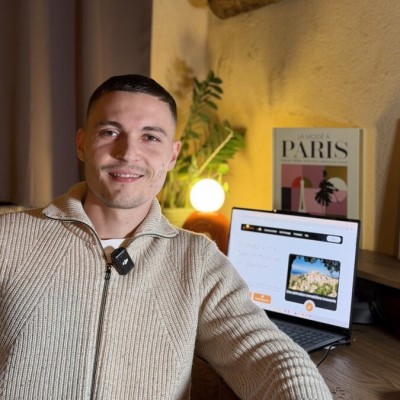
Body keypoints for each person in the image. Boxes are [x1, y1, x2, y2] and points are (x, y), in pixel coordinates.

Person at [0, 74, 332, 399]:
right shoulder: (8, 238)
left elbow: (265, 352)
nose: (127, 153)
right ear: (81, 144)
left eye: (150, 137)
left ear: (172, 155)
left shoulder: (198, 260)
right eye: (110, 132)